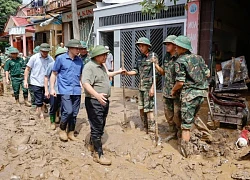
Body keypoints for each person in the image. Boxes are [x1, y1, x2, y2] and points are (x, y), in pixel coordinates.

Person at [82, 45, 123, 165]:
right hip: (94, 101)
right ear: (96, 56)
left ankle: (92, 144)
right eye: (104, 55)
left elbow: (107, 75)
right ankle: (98, 154)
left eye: (106, 54)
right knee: (97, 126)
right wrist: (97, 95)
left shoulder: (101, 66)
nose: (106, 57)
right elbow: (85, 83)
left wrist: (118, 72)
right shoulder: (89, 67)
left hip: (104, 101)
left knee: (100, 125)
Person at [171, 35, 212, 157]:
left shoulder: (180, 61)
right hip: (202, 94)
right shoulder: (199, 58)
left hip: (189, 96)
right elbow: (208, 74)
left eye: (177, 46)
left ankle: (186, 154)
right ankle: (203, 136)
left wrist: (173, 90)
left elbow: (180, 82)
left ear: (183, 48)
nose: (176, 48)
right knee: (192, 118)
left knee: (185, 125)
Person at [50, 39, 83, 141]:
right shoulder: (60, 59)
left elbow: (81, 75)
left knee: (74, 113)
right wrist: (52, 88)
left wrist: (84, 86)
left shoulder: (80, 61)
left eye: (79, 48)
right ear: (70, 48)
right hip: (65, 89)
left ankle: (71, 132)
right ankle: (62, 128)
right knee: (68, 111)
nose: (78, 50)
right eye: (76, 48)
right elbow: (54, 74)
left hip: (77, 90)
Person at [125, 37, 158, 135]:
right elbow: (136, 70)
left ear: (147, 46)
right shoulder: (139, 58)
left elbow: (156, 74)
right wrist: (126, 73)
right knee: (141, 107)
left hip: (149, 87)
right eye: (139, 46)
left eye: (142, 45)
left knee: (149, 109)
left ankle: (152, 130)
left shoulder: (153, 56)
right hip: (141, 87)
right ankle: (145, 127)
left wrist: (153, 88)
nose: (140, 47)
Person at [151, 35, 181, 139]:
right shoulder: (166, 57)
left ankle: (180, 133)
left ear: (174, 45)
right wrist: (156, 65)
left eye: (168, 44)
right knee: (168, 114)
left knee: (178, 115)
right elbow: (163, 72)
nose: (166, 46)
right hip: (167, 91)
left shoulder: (180, 57)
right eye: (166, 44)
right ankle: (172, 132)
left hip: (177, 92)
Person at [24, 43, 54, 119]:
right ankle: (41, 114)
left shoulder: (50, 59)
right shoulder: (34, 58)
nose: (45, 53)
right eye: (43, 51)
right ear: (40, 51)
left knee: (47, 98)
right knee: (38, 98)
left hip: (46, 83)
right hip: (35, 81)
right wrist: (25, 81)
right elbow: (27, 69)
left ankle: (43, 105)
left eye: (47, 52)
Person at [45, 47, 67, 130]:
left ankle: (61, 121)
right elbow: (46, 77)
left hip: (64, 90)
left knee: (63, 107)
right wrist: (47, 90)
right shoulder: (52, 65)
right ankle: (52, 122)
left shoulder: (67, 65)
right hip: (54, 90)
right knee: (53, 106)